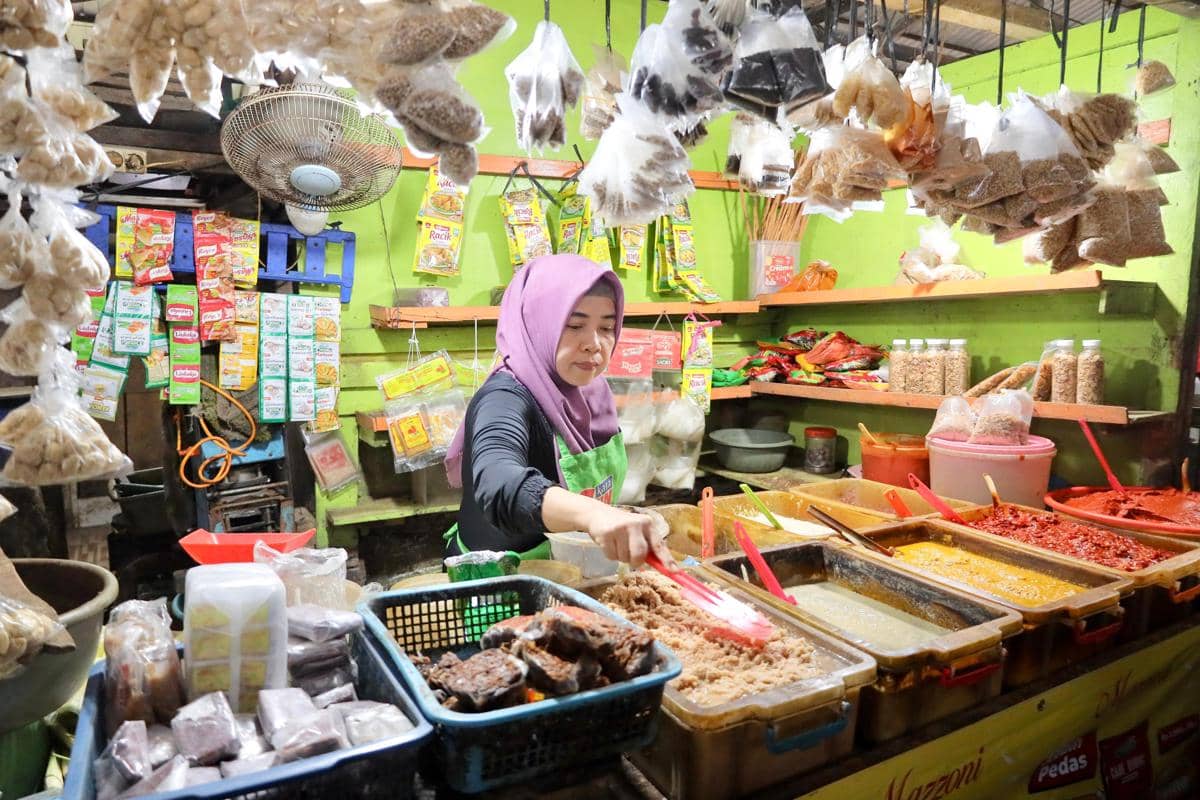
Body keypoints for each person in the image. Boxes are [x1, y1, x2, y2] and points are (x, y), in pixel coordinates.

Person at [444, 254, 674, 568]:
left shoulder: (591, 391)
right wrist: (594, 514)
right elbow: (498, 482)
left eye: (607, 327)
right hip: (501, 579)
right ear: (538, 323)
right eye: (575, 325)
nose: (594, 343)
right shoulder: (504, 397)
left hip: (569, 568)